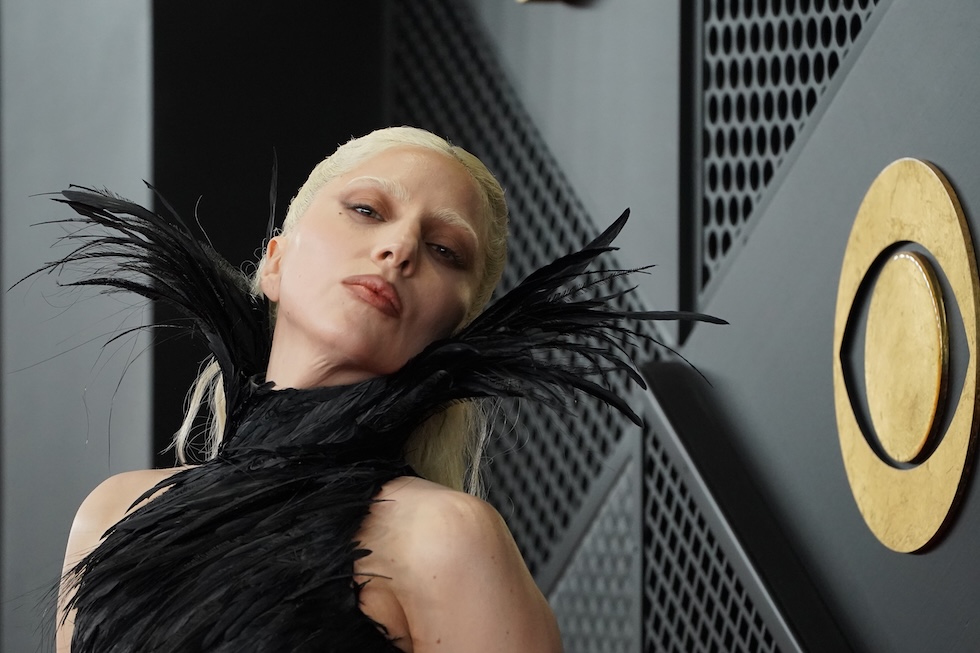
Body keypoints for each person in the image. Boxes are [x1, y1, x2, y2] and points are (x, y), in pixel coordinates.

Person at [44, 127, 720, 652]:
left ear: (454, 331)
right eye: (367, 209)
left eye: (446, 250)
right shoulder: (111, 513)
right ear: (275, 261)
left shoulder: (446, 540)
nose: (399, 249)